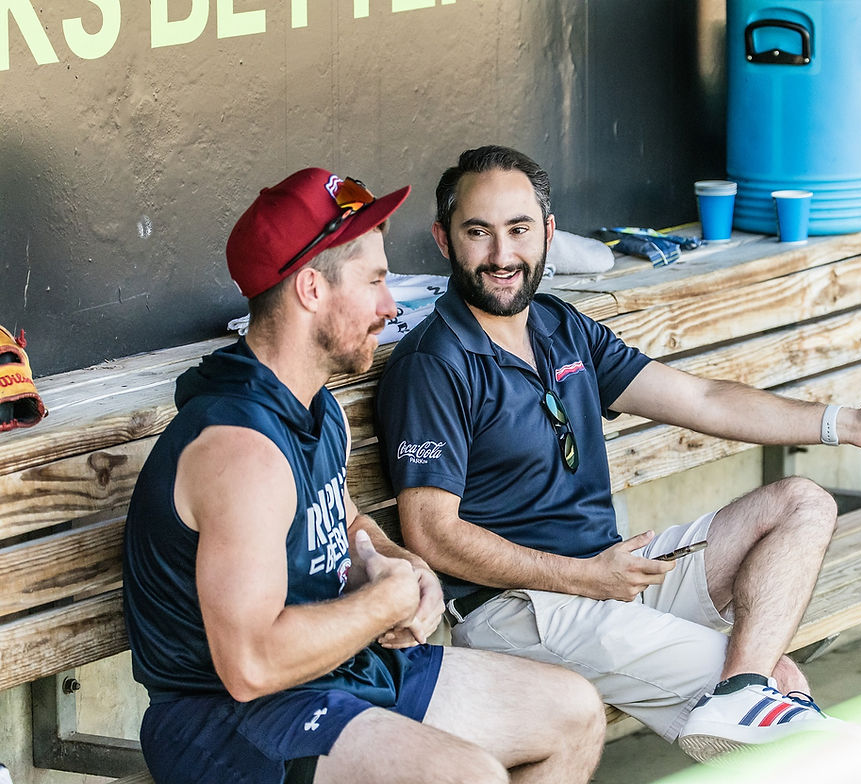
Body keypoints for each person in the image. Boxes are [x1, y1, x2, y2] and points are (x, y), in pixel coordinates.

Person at [374, 145, 861, 763]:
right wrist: (584, 578)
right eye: (477, 233)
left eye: (518, 230)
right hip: (516, 609)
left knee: (803, 504)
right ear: (444, 240)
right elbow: (431, 535)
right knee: (783, 690)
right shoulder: (433, 364)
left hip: (609, 574)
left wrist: (845, 422)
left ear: (547, 232)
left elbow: (702, 398)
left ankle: (741, 690)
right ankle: (757, 701)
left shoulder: (559, 325)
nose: (501, 255)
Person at [122, 166, 606, 784]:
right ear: (311, 290)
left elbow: (341, 518)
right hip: (231, 720)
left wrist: (397, 564)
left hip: (337, 673)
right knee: (466, 775)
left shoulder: (311, 404)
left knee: (572, 713)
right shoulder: (240, 450)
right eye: (375, 280)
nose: (390, 304)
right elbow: (249, 664)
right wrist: (382, 603)